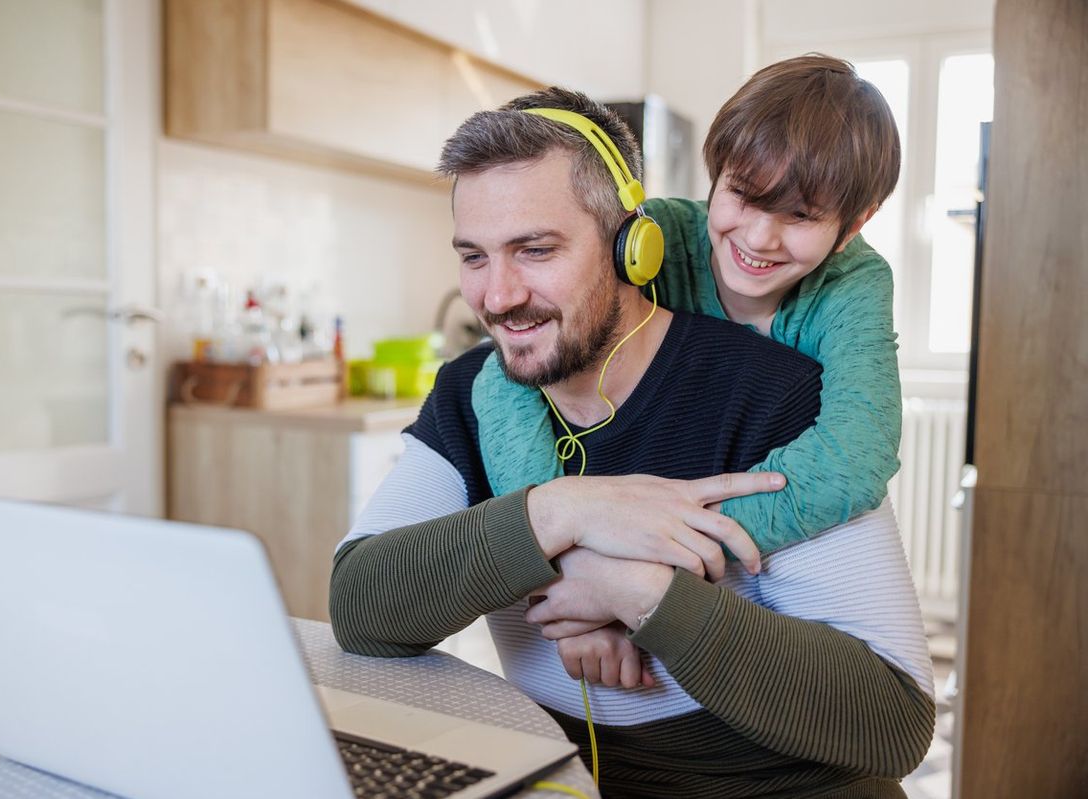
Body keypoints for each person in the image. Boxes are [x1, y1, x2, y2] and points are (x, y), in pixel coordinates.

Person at [330, 87, 934, 797]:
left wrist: (640, 589)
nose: (497, 297)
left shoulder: (785, 395)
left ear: (631, 242)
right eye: (474, 256)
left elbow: (892, 719)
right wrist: (561, 514)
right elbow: (360, 606)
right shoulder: (472, 393)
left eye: (535, 249)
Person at [476, 54, 903, 559]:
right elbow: (499, 376)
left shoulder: (855, 283)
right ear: (716, 177)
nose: (760, 237)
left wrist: (652, 546)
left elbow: (854, 461)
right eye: (743, 195)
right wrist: (562, 539)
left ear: (852, 227)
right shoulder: (648, 240)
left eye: (801, 215)